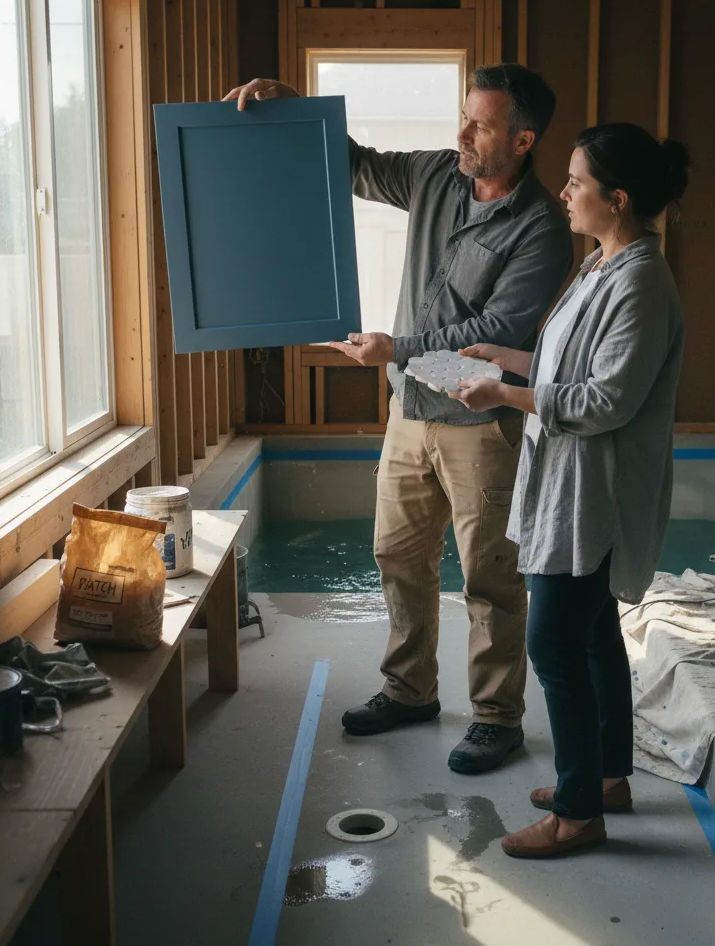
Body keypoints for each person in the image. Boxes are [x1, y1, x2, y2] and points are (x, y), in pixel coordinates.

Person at [224, 66, 573, 774]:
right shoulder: (435, 174)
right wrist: (297, 109)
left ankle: (497, 719)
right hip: (410, 411)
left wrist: (396, 349)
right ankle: (410, 691)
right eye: (464, 116)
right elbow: (351, 164)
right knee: (398, 558)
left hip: (482, 424)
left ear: (522, 140)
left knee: (490, 579)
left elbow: (495, 333)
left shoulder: (542, 227)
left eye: (480, 125)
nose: (462, 133)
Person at [451, 122, 689, 856]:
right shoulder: (600, 266)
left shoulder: (640, 282)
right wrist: (508, 360)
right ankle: (608, 778)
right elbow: (572, 367)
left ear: (617, 200)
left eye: (577, 182)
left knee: (552, 643)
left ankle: (579, 814)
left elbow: (605, 400)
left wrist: (503, 395)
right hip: (571, 483)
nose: (563, 192)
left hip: (594, 495)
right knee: (591, 638)